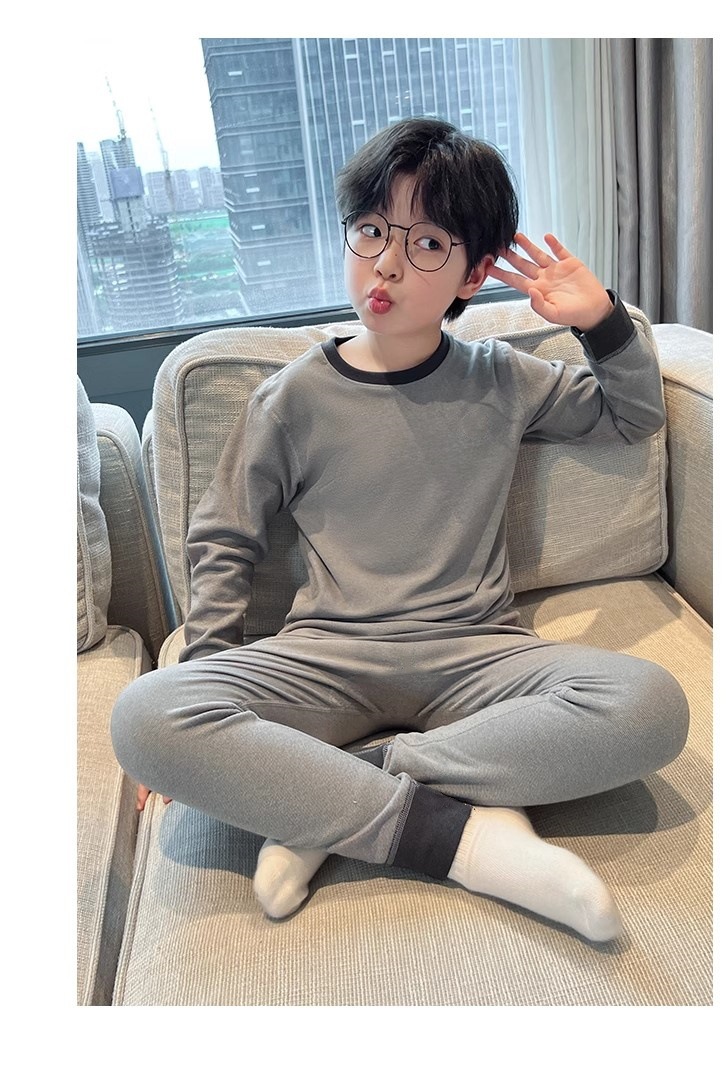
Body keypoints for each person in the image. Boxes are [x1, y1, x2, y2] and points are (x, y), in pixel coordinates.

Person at [111, 117, 689, 943]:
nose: (385, 263)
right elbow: (224, 540)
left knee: (650, 705)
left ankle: (332, 797)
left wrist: (601, 323)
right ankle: (462, 839)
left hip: (478, 655)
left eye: (426, 244)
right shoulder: (290, 397)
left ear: (473, 273)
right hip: (327, 658)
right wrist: (204, 683)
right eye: (372, 231)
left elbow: (631, 416)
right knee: (145, 716)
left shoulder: (502, 377)